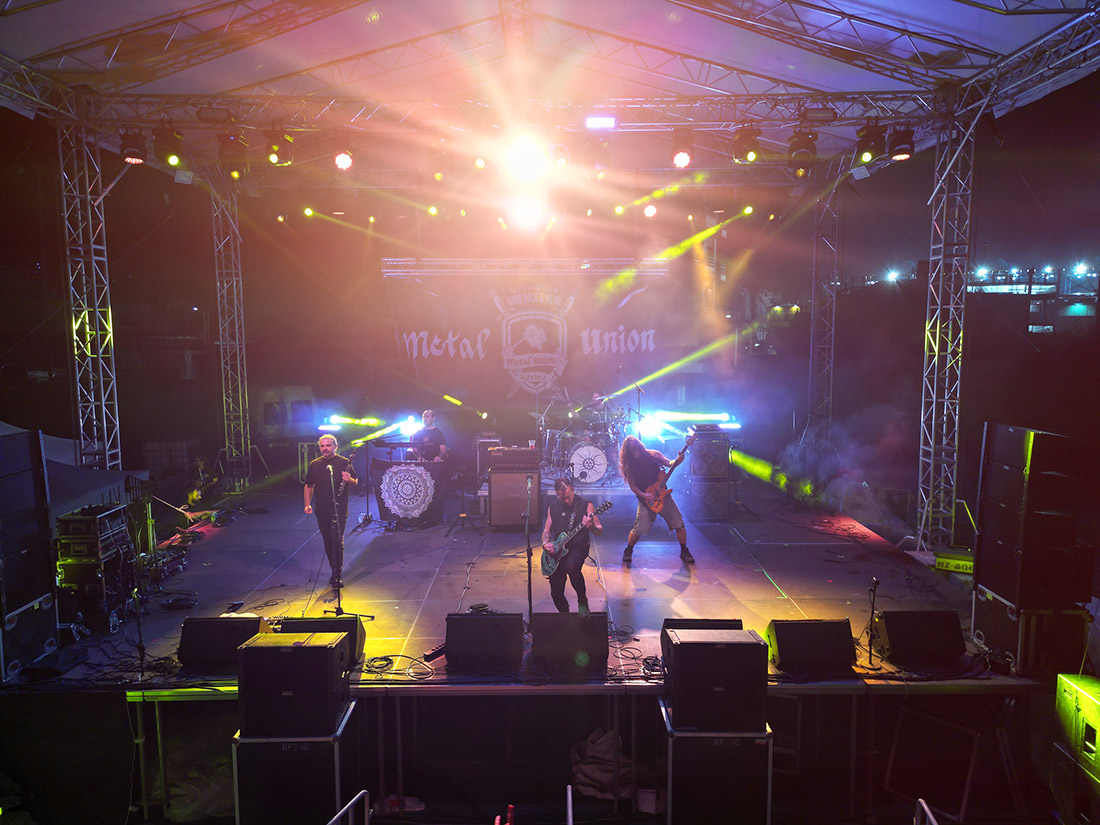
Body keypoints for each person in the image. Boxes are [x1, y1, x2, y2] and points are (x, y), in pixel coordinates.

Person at [619, 435, 693, 565]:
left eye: (636, 449)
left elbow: (669, 463)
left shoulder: (652, 455)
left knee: (679, 523)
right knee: (639, 528)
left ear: (640, 446)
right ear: (628, 452)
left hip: (663, 495)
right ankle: (628, 550)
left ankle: (684, 550)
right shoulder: (629, 465)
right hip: (646, 500)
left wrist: (678, 460)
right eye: (632, 451)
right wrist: (644, 495)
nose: (635, 453)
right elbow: (633, 486)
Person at [541, 478, 603, 617]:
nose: (567, 500)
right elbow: (546, 530)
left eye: (568, 496)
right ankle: (565, 615)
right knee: (556, 590)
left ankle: (582, 601)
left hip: (578, 546)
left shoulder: (586, 505)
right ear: (557, 494)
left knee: (571, 566)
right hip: (559, 548)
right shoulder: (553, 507)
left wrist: (591, 527)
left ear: (573, 490)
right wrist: (546, 544)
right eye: (562, 498)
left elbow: (599, 530)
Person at [303, 434, 358, 588]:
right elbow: (308, 485)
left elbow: (355, 481)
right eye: (322, 446)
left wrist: (348, 479)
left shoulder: (344, 462)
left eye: (328, 445)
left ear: (335, 446)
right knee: (328, 541)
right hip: (321, 508)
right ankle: (334, 569)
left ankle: (337, 574)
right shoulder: (315, 464)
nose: (325, 449)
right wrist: (307, 504)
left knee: (337, 540)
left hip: (339, 508)